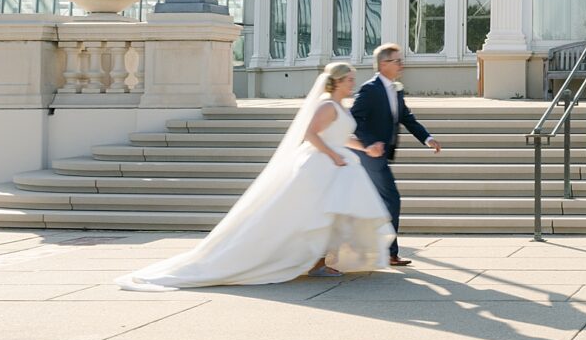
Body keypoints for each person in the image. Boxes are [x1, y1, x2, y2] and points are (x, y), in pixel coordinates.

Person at [115, 62, 394, 291]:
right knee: (314, 214)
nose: (352, 83)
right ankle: (314, 262)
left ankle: (320, 260)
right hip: (320, 165)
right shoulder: (326, 106)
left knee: (330, 214)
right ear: (336, 81)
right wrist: (332, 156)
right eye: (348, 79)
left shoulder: (341, 107)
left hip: (338, 164)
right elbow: (309, 134)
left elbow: (342, 137)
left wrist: (365, 148)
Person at [349, 44, 443, 266]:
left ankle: (372, 248)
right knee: (391, 198)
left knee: (376, 200)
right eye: (397, 61)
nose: (402, 65)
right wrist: (370, 143)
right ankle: (389, 252)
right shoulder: (370, 89)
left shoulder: (396, 89)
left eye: (401, 60)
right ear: (383, 64)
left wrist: (427, 139)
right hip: (369, 155)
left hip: (381, 153)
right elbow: (355, 119)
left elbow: (406, 118)